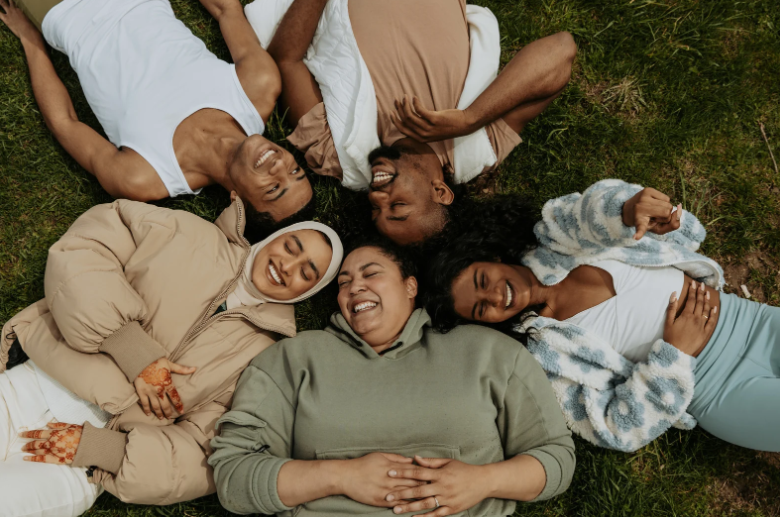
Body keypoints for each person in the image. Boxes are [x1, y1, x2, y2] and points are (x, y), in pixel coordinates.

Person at [0, 195, 343, 517]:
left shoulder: (271, 356)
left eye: (306, 272)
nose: (287, 265)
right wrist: (130, 348)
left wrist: (105, 450)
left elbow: (209, 449)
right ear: (276, 237)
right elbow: (89, 246)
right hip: (31, 386)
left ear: (309, 290)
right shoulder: (186, 233)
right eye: (291, 247)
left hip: (80, 462)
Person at [209, 239, 575, 517]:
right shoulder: (291, 360)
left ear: (410, 286)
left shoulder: (490, 353)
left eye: (371, 274)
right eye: (343, 282)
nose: (354, 287)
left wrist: (481, 481)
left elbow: (556, 459)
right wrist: (340, 476)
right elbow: (233, 476)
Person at [425, 179, 780, 453]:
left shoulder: (557, 238)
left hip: (752, 321)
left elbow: (593, 211)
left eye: (482, 280)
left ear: (491, 257)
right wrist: (675, 355)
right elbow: (617, 429)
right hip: (720, 390)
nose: (493, 296)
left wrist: (627, 211)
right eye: (480, 308)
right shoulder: (546, 360)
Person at [254, 0, 576, 244]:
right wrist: (470, 119)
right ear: (440, 192)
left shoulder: (337, 155)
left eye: (376, 210)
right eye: (397, 205)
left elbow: (286, 59)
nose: (377, 197)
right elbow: (561, 50)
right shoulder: (478, 146)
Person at [0, 0, 314, 229]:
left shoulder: (144, 176)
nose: (279, 166)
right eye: (295, 170)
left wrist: (30, 40)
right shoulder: (258, 86)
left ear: (237, 202)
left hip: (63, 12)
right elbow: (226, 10)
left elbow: (65, 123)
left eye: (273, 188)